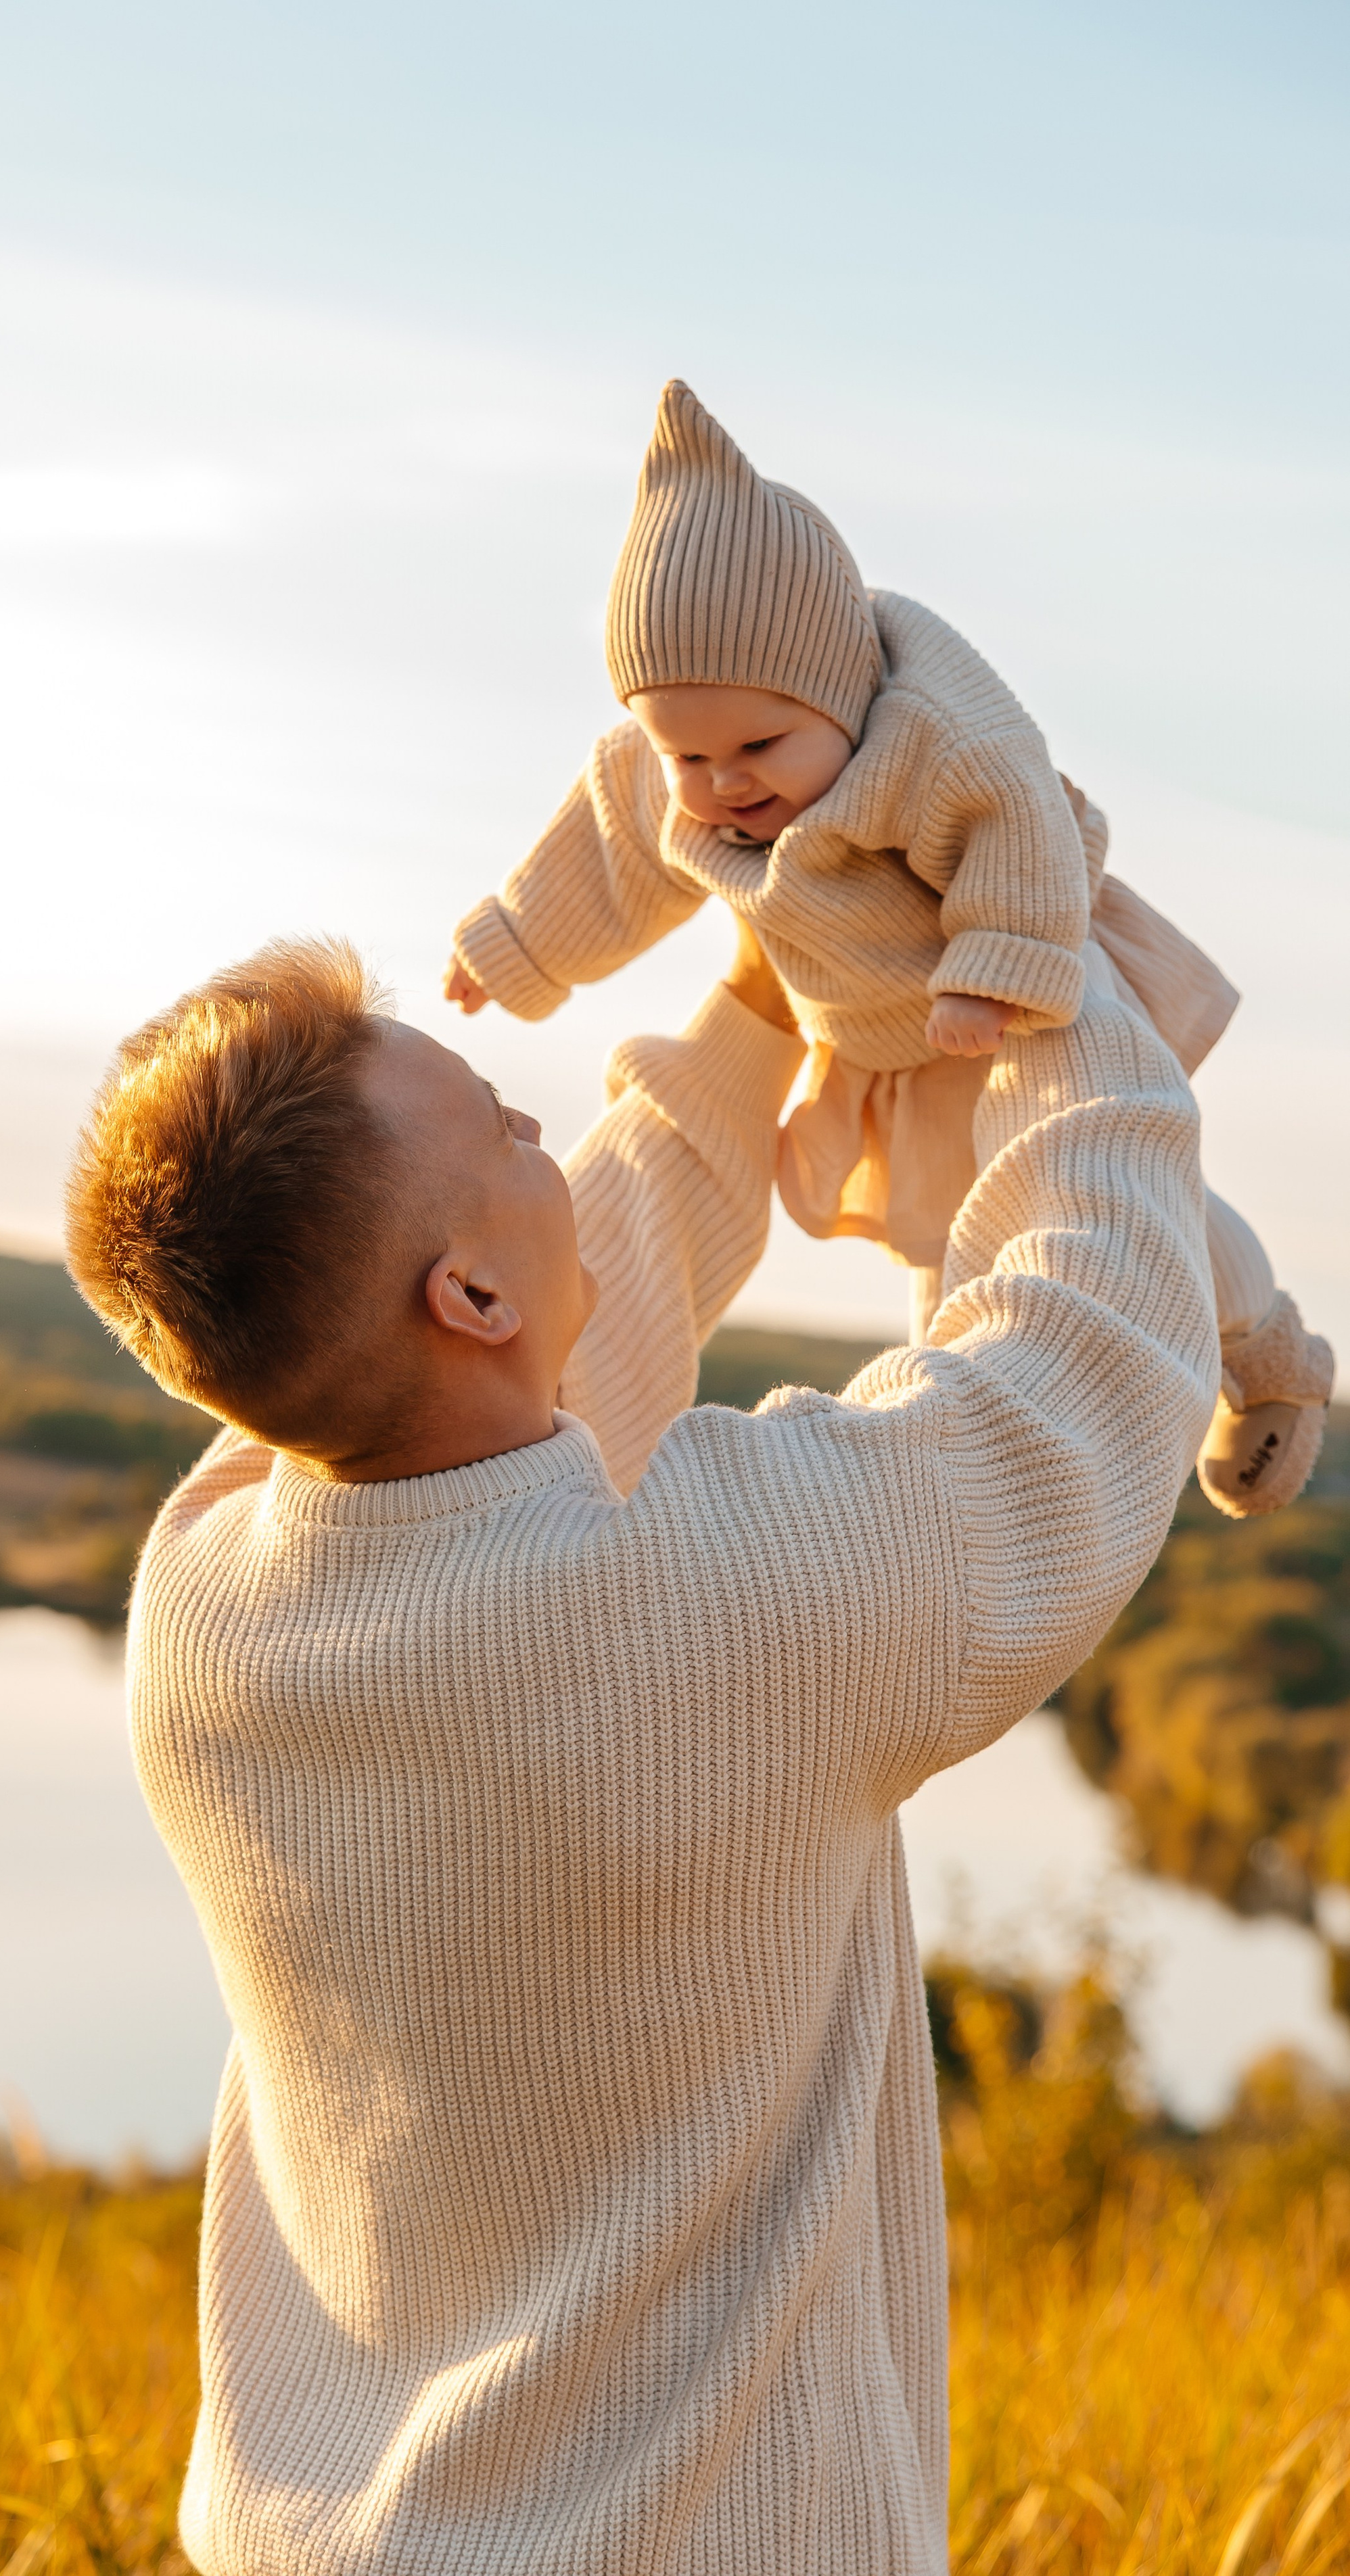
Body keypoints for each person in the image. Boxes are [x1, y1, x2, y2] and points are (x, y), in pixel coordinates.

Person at [67, 913, 1217, 2576]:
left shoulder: (205, 1608)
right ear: (461, 1287)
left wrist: (766, 992)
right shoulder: (738, 1604)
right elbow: (1092, 1363)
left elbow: (517, 1387)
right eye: (505, 1125)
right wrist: (1050, 954)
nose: (547, 1137)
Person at [444, 380, 1333, 1517]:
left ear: (841, 694)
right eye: (686, 756)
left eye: (760, 744)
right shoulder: (680, 774)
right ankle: (955, 1478)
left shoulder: (935, 737)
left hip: (1011, 1011)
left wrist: (993, 968)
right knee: (948, 1250)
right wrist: (517, 945)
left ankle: (1266, 1350)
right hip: (878, 1048)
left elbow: (1024, 831)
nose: (722, 786)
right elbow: (609, 849)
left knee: (1132, 1201)